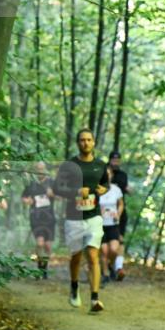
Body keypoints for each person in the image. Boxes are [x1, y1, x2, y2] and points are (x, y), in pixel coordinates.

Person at [55, 128, 109, 312]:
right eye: (82, 140)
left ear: (94, 142)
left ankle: (95, 298)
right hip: (74, 217)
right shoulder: (69, 165)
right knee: (76, 256)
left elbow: (106, 183)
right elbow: (57, 188)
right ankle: (74, 286)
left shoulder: (101, 165)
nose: (85, 143)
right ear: (78, 143)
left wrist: (104, 190)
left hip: (94, 216)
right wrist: (76, 192)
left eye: (89, 140)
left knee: (93, 255)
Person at [21, 161, 56, 278]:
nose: (40, 171)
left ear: (45, 169)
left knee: (47, 246)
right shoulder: (31, 184)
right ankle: (40, 269)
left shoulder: (51, 182)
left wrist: (53, 194)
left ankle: (43, 267)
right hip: (36, 217)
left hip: (49, 218)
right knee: (40, 243)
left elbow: (61, 196)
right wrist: (27, 201)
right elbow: (23, 197)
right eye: (37, 169)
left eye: (42, 169)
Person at [98, 164, 124, 283]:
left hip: (113, 224)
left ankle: (110, 265)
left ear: (111, 176)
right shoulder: (97, 190)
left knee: (113, 250)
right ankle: (106, 275)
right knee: (104, 251)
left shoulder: (116, 189)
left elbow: (121, 204)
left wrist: (118, 213)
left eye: (109, 174)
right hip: (100, 225)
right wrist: (98, 212)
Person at [108, 150, 130, 280]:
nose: (115, 162)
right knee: (106, 243)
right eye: (113, 160)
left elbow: (123, 188)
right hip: (104, 213)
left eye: (118, 160)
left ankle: (118, 267)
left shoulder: (123, 175)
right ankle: (107, 266)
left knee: (119, 240)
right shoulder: (103, 172)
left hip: (120, 213)